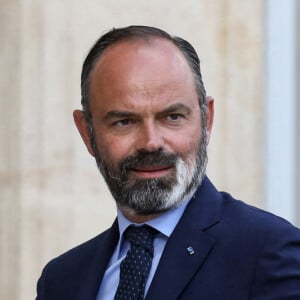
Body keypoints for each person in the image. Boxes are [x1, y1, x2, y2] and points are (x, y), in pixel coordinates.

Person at [36, 25, 300, 300]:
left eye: (172, 117)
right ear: (86, 132)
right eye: (124, 121)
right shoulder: (61, 281)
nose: (151, 142)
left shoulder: (271, 253)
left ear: (206, 120)